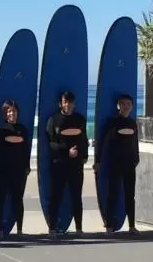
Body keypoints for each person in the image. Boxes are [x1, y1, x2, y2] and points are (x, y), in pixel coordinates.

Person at [94, 93, 140, 234]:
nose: (126, 106)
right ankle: (109, 225)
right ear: (118, 106)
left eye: (128, 104)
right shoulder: (112, 123)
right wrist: (98, 162)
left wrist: (136, 158)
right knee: (113, 194)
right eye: (123, 104)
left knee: (129, 196)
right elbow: (101, 143)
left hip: (129, 164)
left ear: (131, 107)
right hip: (114, 163)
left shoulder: (132, 123)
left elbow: (135, 143)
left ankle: (132, 226)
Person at [45, 91, 88, 238]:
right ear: (60, 104)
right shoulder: (54, 120)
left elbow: (84, 140)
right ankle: (51, 229)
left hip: (76, 165)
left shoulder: (80, 119)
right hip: (59, 164)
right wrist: (66, 151)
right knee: (55, 196)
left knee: (76, 196)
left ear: (74, 104)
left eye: (70, 102)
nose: (67, 104)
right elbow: (51, 143)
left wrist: (84, 156)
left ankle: (79, 229)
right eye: (65, 102)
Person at [0, 99, 31, 240]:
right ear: (5, 114)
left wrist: (27, 166)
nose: (12, 113)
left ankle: (19, 229)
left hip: (17, 170)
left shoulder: (23, 130)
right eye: (9, 111)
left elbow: (26, 150)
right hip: (2, 170)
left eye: (14, 111)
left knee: (17, 199)